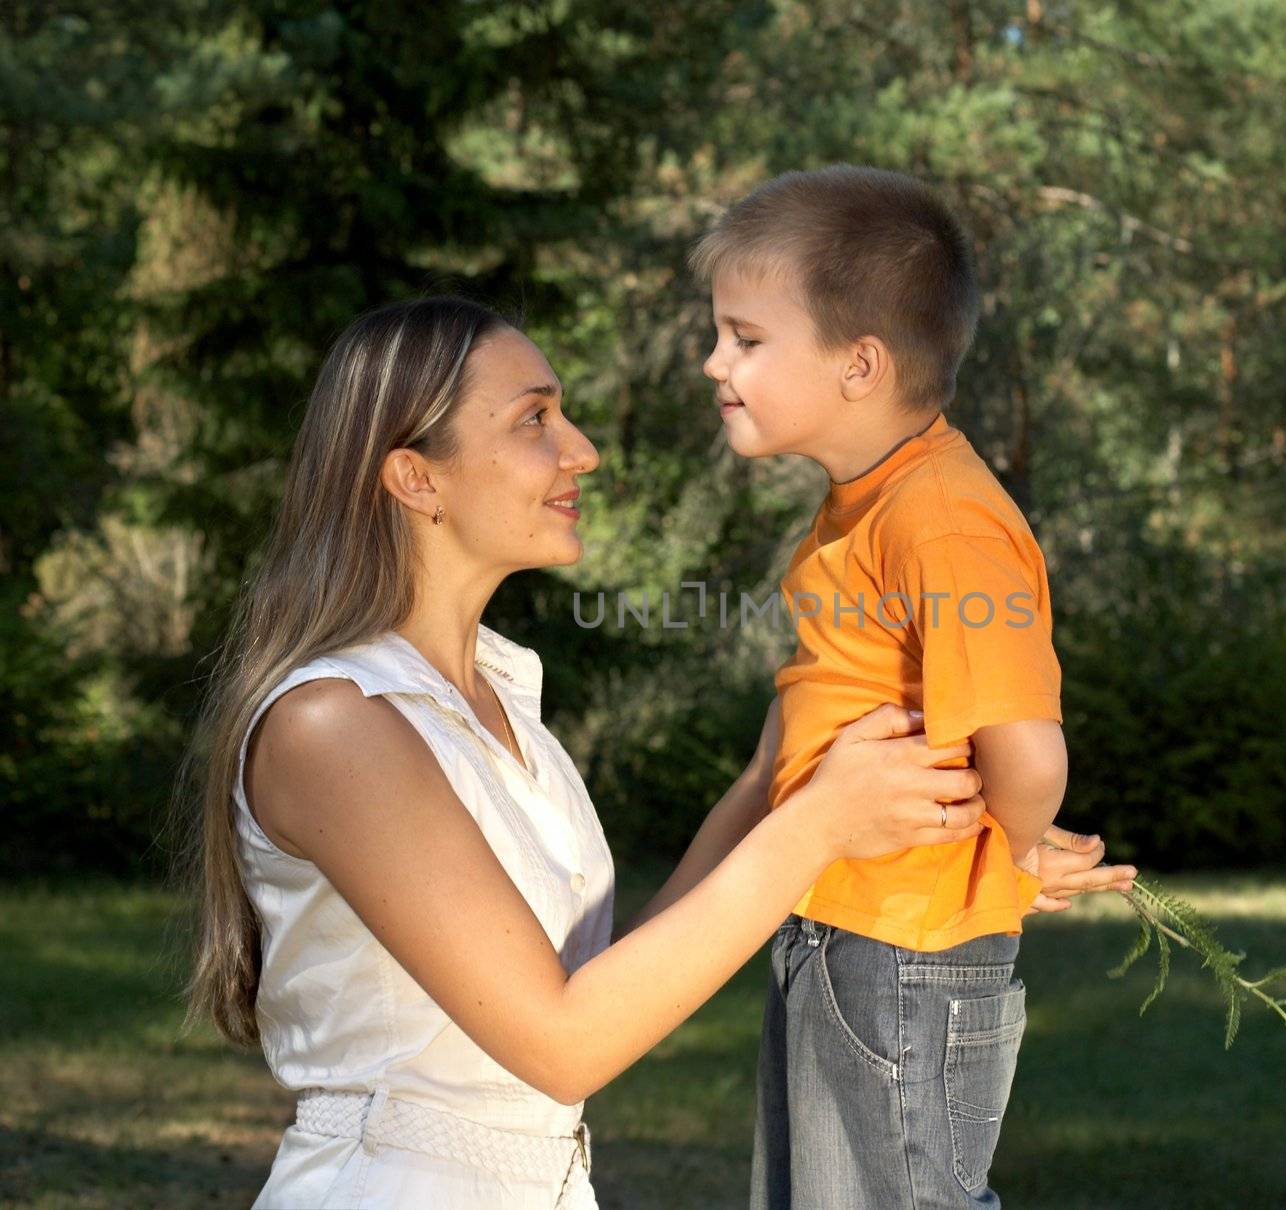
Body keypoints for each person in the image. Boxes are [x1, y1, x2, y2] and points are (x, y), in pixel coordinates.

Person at [174, 296, 1002, 1209]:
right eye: (535, 419)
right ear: (416, 478)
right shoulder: (333, 724)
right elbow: (566, 1043)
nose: (582, 451)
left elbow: (607, 986)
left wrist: (868, 804)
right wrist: (814, 826)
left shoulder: (499, 710)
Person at [691, 165, 1139, 1208]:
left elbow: (1027, 753)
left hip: (904, 950)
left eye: (745, 338)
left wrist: (1014, 854)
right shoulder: (866, 504)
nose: (714, 360)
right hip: (841, 927)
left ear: (859, 364)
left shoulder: (941, 517)